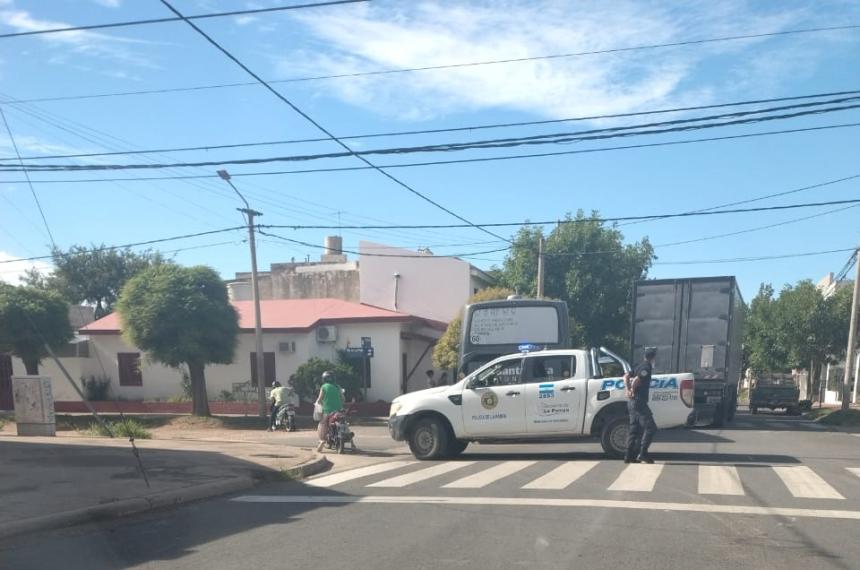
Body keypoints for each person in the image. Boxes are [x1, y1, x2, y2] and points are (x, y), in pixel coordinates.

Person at [623, 347, 658, 464]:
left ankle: (628, 455)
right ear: (653, 358)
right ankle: (643, 453)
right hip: (639, 401)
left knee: (634, 429)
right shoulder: (646, 367)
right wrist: (632, 389)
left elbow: (626, 376)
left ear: (644, 356)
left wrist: (627, 390)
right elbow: (637, 380)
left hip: (632, 403)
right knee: (651, 427)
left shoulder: (638, 365)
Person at [315, 370, 343, 451]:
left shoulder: (324, 387)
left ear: (323, 379)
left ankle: (322, 440)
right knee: (344, 422)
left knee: (322, 423)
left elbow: (320, 399)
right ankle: (351, 442)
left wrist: (317, 403)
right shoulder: (338, 386)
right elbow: (343, 398)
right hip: (339, 410)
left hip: (327, 411)